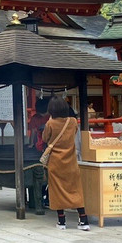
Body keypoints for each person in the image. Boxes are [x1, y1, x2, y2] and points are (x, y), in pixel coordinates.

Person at [41, 96, 90, 231]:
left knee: (57, 190)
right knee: (75, 189)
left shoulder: (50, 123)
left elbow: (45, 138)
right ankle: (83, 219)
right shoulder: (73, 122)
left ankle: (61, 221)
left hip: (56, 162)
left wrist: (50, 120)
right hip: (71, 160)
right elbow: (73, 134)